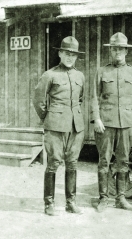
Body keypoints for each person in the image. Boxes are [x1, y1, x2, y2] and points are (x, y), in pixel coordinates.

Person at [90, 32, 132, 212]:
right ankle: (103, 198)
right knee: (104, 161)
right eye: (114, 49)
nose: (117, 52)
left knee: (124, 162)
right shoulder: (101, 71)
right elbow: (94, 97)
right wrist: (96, 118)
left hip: (127, 124)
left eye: (121, 49)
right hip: (105, 123)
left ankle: (121, 198)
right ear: (110, 51)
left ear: (126, 51)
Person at [33, 36, 85, 216]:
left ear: (76, 56)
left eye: (73, 54)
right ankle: (49, 203)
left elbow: (80, 99)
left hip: (76, 127)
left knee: (72, 164)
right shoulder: (50, 75)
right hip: (55, 126)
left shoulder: (80, 76)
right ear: (60, 54)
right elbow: (38, 100)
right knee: (54, 163)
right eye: (67, 53)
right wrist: (48, 118)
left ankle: (71, 202)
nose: (70, 57)